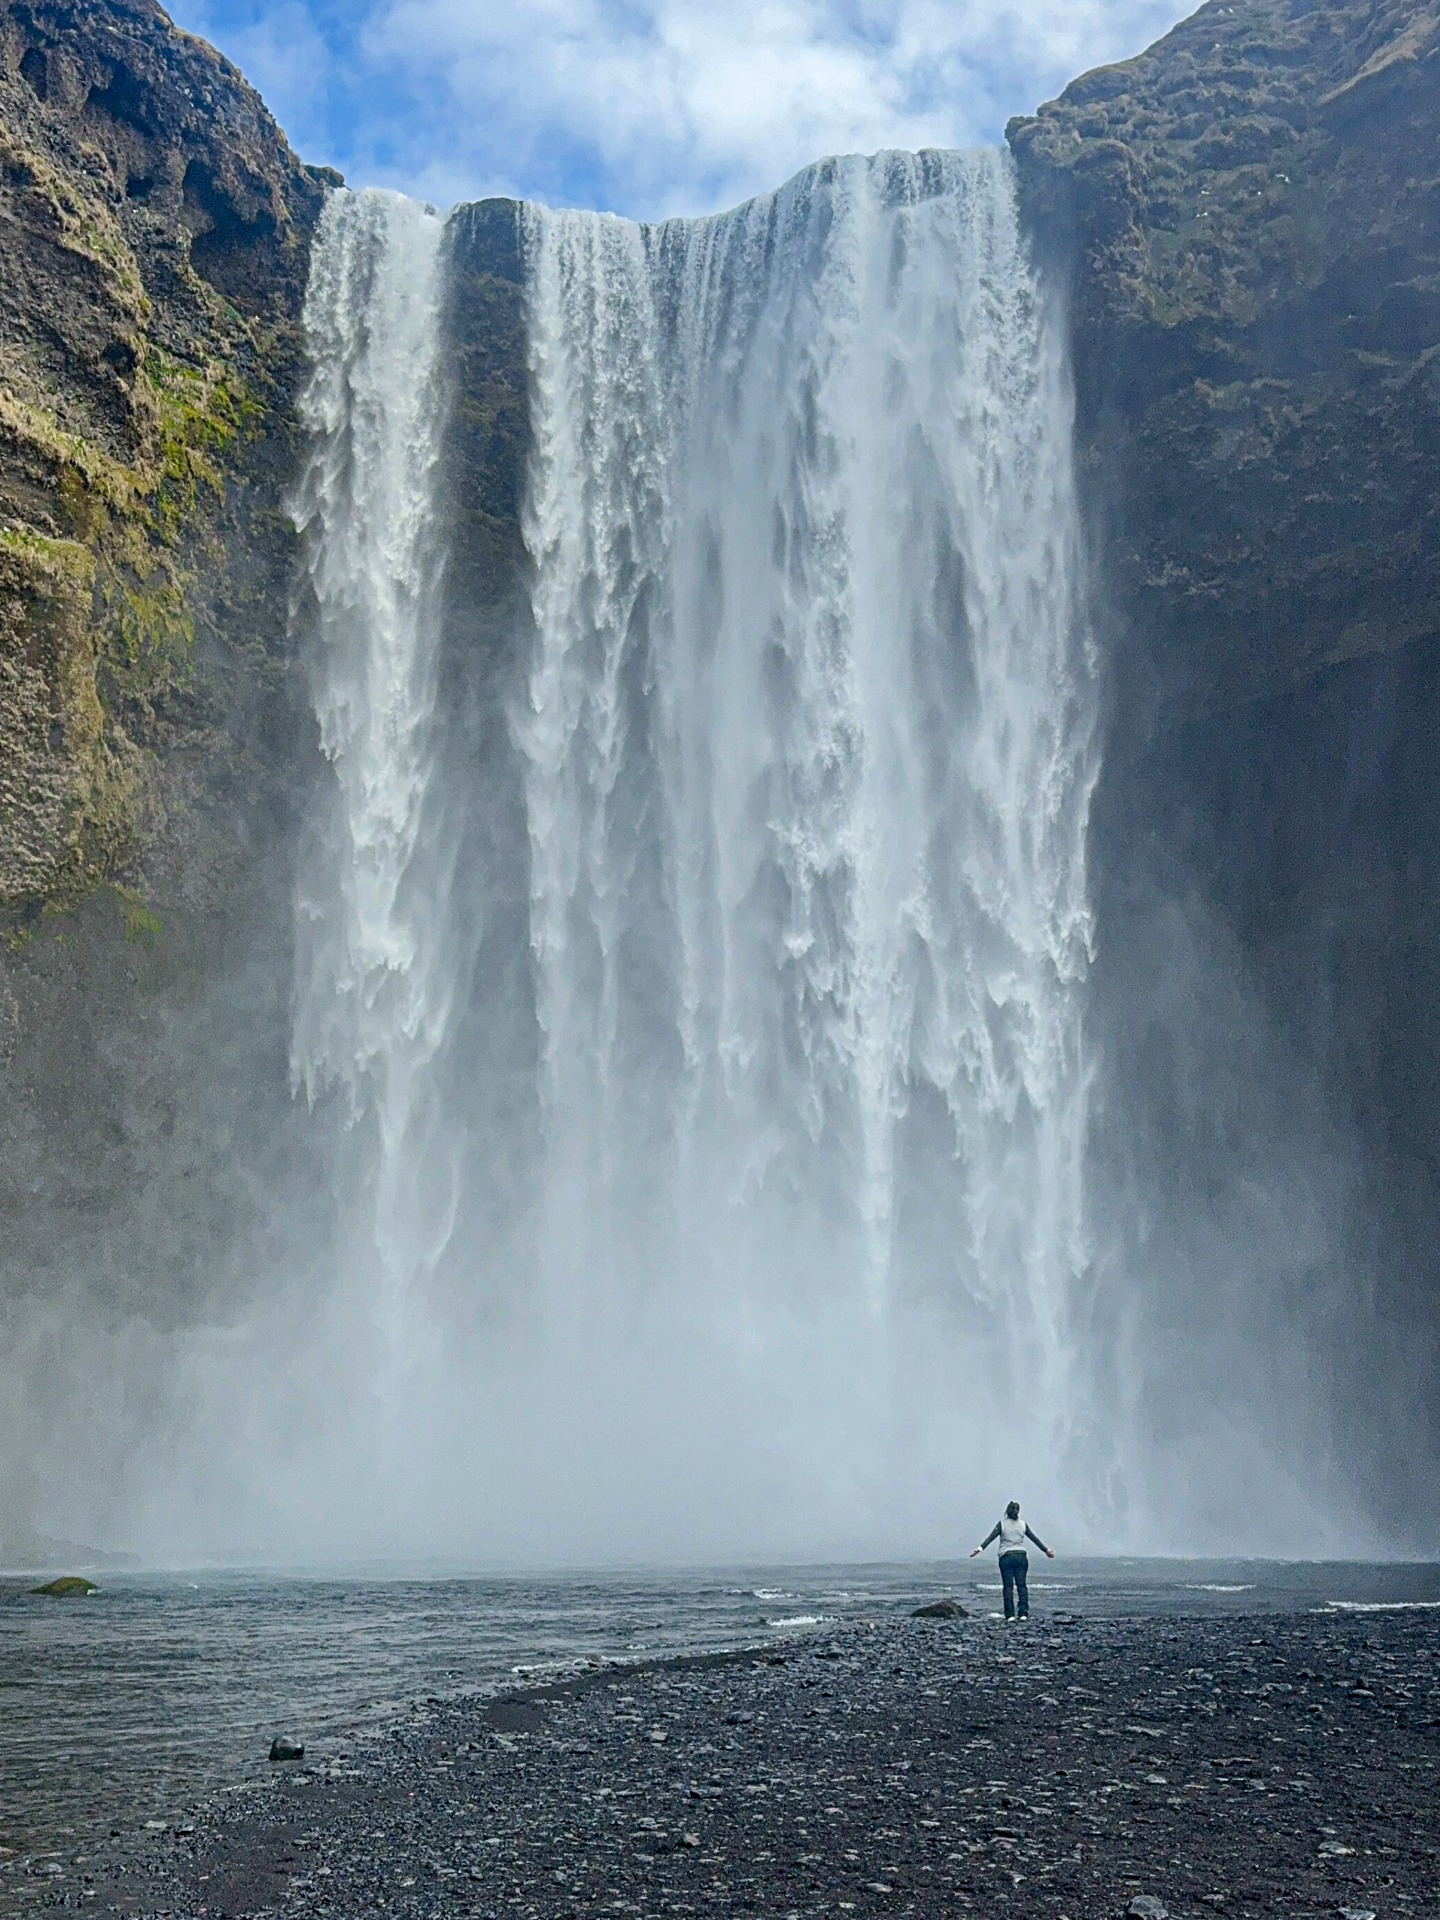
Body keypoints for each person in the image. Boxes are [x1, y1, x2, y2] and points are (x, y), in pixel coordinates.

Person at [970, 1500, 1055, 1621]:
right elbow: (1034, 1539)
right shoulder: (1023, 1525)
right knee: (1022, 1585)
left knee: (1008, 1586)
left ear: (1007, 1512)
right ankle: (1023, 1613)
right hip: (1021, 1556)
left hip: (1006, 1557)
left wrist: (979, 1549)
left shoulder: (1002, 1524)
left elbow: (990, 1538)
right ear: (1018, 1511)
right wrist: (1046, 1550)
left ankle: (1010, 1615)